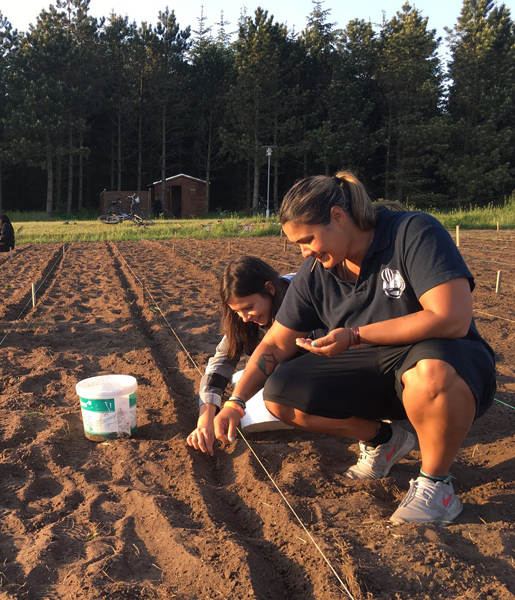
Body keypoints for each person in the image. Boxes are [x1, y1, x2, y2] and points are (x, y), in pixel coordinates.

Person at [212, 171, 496, 525]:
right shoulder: (317, 272)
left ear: (338, 217)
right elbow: (275, 342)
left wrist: (355, 335)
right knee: (283, 392)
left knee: (430, 372)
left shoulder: (412, 232)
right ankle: (383, 440)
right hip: (375, 369)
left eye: (308, 239)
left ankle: (435, 484)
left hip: (442, 360)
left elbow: (451, 317)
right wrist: (236, 402)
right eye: (298, 244)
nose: (305, 252)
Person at [187, 256, 301, 457]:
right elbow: (222, 361)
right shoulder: (245, 319)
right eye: (237, 311)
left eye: (249, 307)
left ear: (270, 289)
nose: (245, 318)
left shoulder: (302, 298)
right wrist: (205, 418)